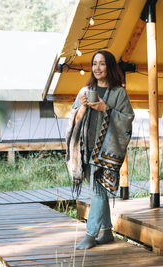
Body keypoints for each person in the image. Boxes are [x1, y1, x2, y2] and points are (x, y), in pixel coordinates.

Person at [65, 50, 134, 250]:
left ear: (110, 66)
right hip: (85, 149)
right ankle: (107, 232)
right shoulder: (84, 90)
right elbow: (73, 120)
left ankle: (90, 234)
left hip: (105, 152)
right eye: (94, 64)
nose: (97, 68)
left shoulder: (119, 93)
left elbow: (127, 120)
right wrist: (84, 108)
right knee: (97, 190)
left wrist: (106, 110)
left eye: (102, 64)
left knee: (97, 191)